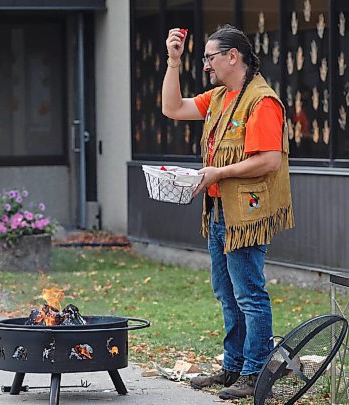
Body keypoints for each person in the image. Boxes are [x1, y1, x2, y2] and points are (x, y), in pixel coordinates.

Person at [162, 25, 294, 400]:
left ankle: (256, 374)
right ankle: (234, 367)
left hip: (246, 217)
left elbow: (268, 160)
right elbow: (172, 108)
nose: (205, 65)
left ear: (232, 56)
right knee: (227, 293)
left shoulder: (261, 101)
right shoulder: (220, 97)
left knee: (250, 294)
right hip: (220, 211)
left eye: (209, 57)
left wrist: (218, 172)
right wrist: (173, 61)